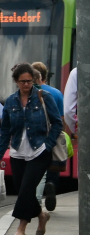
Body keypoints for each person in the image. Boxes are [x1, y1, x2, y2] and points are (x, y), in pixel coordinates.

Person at [0, 63, 62, 235]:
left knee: (26, 189)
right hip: (17, 152)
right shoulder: (10, 101)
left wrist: (47, 145)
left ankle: (21, 227)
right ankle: (41, 215)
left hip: (39, 151)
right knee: (23, 190)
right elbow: (5, 130)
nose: (26, 84)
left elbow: (57, 123)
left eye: (29, 81)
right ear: (16, 81)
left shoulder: (44, 97)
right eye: (23, 81)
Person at [31, 61, 66, 212]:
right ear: (45, 76)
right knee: (54, 162)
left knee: (38, 163)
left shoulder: (31, 91)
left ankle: (37, 196)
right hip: (54, 131)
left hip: (37, 131)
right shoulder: (57, 93)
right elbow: (61, 117)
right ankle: (51, 183)